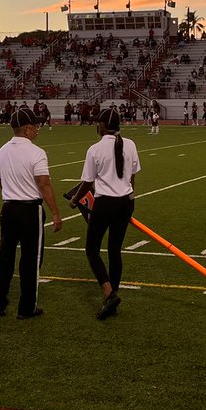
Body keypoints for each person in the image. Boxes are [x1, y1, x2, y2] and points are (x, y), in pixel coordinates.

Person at [0, 107, 62, 319]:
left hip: (8, 208)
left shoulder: (0, 153)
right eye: (35, 126)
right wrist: (55, 213)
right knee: (31, 259)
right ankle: (27, 307)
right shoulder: (36, 153)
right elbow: (44, 184)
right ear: (27, 129)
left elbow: (1, 184)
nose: (38, 129)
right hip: (30, 210)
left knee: (4, 257)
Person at [72, 107, 140, 320]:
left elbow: (88, 182)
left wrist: (75, 200)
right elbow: (132, 178)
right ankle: (113, 298)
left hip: (105, 204)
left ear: (102, 126)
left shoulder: (95, 149)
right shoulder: (130, 144)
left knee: (92, 250)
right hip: (126, 202)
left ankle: (108, 293)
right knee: (114, 250)